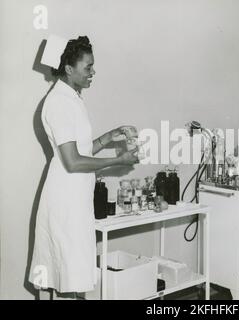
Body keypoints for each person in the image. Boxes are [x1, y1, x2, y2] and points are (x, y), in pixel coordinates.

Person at [29, 35, 139, 298]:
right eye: (88, 67)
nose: (93, 72)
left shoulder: (72, 98)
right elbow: (73, 161)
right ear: (69, 69)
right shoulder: (58, 102)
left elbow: (80, 149)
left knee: (74, 272)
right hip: (65, 198)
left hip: (75, 197)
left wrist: (108, 137)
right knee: (68, 273)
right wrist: (118, 160)